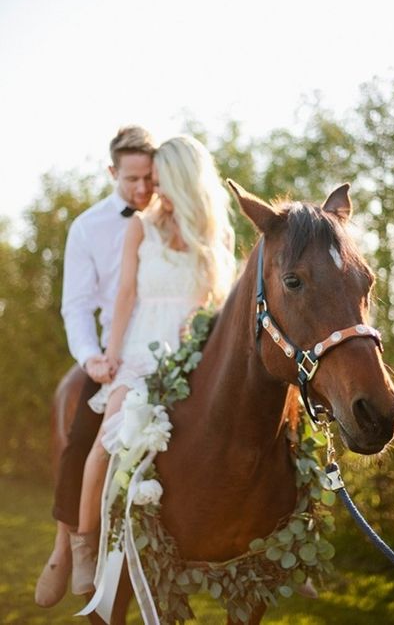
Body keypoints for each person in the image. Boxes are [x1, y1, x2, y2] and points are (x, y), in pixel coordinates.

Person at [69, 134, 236, 594]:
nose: (153, 190)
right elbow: (125, 295)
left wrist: (198, 326)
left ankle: (267, 529)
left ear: (185, 181)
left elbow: (220, 300)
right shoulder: (142, 225)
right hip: (142, 345)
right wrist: (113, 354)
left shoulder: (217, 232)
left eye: (161, 181)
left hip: (194, 350)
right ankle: (85, 548)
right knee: (107, 442)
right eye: (150, 180)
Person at [35, 125, 157, 607]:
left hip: (168, 342)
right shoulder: (87, 227)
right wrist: (91, 357)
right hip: (112, 351)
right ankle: (66, 544)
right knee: (83, 433)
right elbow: (77, 304)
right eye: (132, 180)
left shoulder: (174, 216)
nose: (142, 190)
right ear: (112, 172)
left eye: (149, 178)